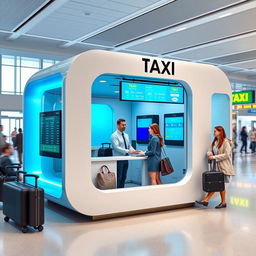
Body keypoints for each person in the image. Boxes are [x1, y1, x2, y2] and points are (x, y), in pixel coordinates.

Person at [195, 126, 235, 209]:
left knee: (217, 183)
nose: (214, 133)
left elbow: (227, 154)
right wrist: (209, 154)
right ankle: (223, 203)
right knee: (219, 184)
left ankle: (206, 200)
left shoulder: (225, 142)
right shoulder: (215, 142)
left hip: (223, 167)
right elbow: (209, 150)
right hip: (216, 166)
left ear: (220, 132)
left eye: (215, 131)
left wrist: (214, 157)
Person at [111, 119, 139, 188]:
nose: (124, 126)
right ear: (118, 125)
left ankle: (122, 190)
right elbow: (116, 147)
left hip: (126, 159)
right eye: (123, 125)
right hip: (119, 159)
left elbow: (129, 146)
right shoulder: (114, 136)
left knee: (124, 176)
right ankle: (117, 191)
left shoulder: (126, 135)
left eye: (125, 125)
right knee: (119, 176)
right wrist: (128, 151)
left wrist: (135, 151)